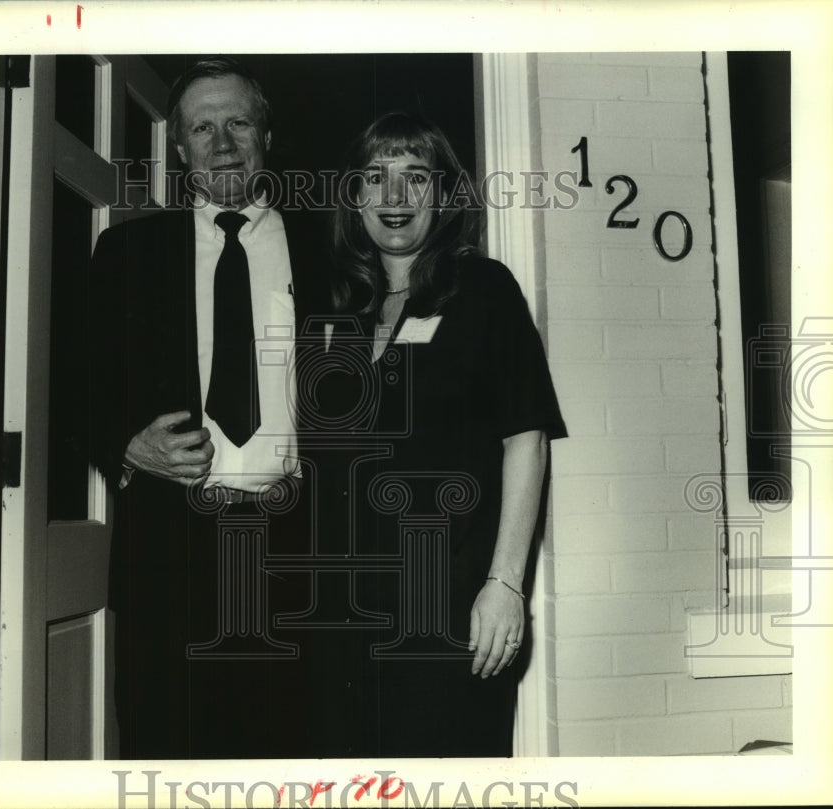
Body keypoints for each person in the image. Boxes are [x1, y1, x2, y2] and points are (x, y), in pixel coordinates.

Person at [86, 57, 328, 759]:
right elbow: (79, 386)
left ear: (267, 137)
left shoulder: (330, 249)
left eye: (238, 122)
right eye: (202, 127)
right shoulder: (126, 251)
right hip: (168, 553)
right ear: (179, 147)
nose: (221, 142)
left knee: (286, 755)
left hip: (297, 550)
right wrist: (126, 445)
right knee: (167, 753)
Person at [313, 111, 567, 757]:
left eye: (415, 177)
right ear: (354, 196)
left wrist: (505, 585)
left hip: (452, 603)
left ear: (445, 194)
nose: (394, 198)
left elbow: (526, 438)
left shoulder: (483, 289)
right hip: (345, 615)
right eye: (376, 177)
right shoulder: (337, 308)